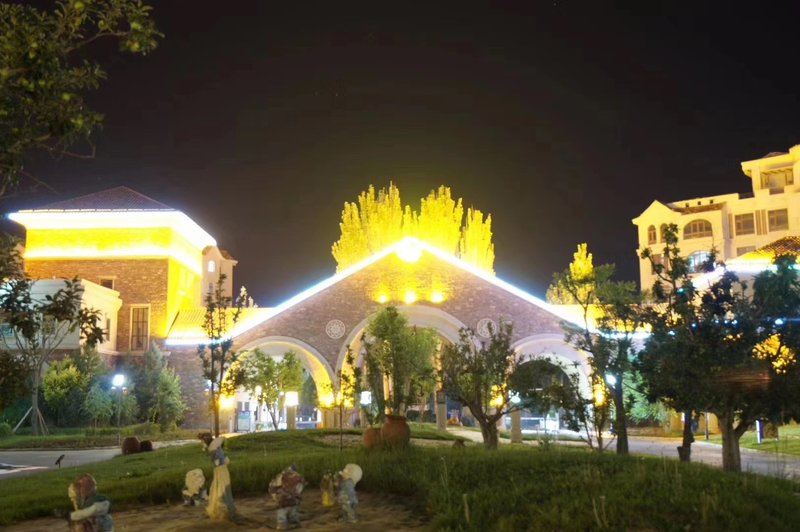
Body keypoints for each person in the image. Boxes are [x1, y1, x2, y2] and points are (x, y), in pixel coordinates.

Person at [206, 436, 236, 521]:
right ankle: (230, 510)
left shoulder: (214, 450)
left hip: (220, 471)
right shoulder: (218, 450)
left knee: (221, 489)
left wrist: (214, 458)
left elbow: (217, 463)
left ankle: (227, 511)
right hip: (223, 471)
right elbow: (226, 461)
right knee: (224, 489)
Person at [268, 464, 306, 530]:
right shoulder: (299, 477)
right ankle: (293, 524)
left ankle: (283, 525)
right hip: (292, 500)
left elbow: (273, 487)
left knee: (282, 515)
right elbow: (300, 488)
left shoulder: (281, 475)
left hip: (282, 500)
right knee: (292, 514)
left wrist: (275, 496)